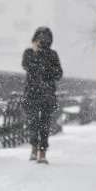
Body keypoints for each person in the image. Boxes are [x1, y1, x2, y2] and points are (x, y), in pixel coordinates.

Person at [22, 26, 63, 164]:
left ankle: (42, 152)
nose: (43, 41)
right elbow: (27, 66)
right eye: (40, 38)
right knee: (33, 123)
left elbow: (58, 74)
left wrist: (43, 66)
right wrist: (36, 55)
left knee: (44, 124)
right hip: (32, 94)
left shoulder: (52, 54)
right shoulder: (29, 53)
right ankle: (34, 147)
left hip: (47, 94)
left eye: (45, 38)